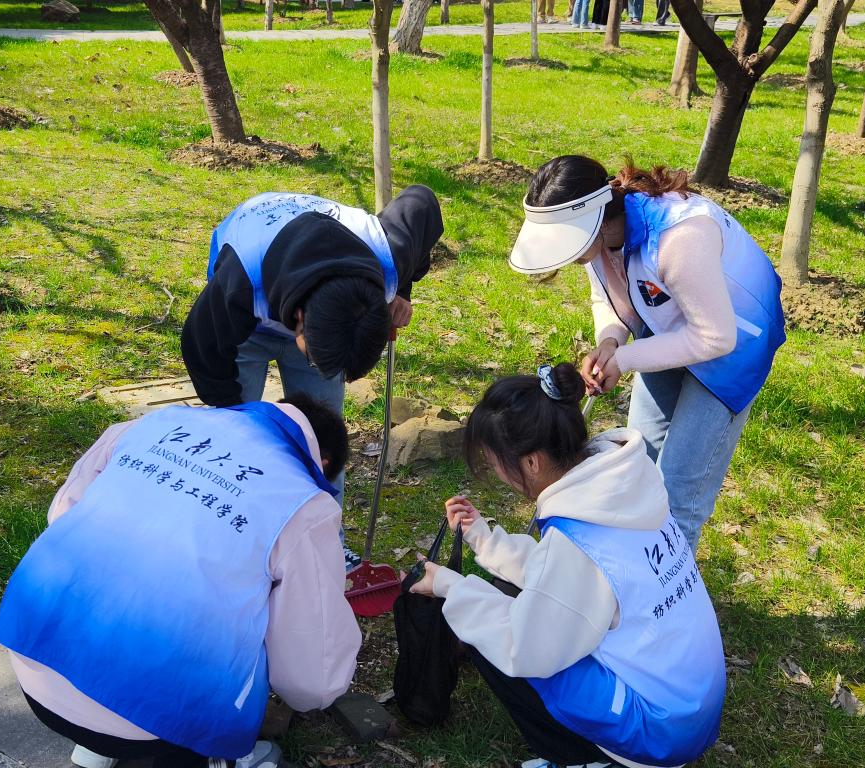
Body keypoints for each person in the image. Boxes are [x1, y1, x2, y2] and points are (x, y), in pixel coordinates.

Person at [0, 395, 361, 768]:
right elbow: (310, 676)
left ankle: (97, 744)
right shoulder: (304, 505)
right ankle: (215, 758)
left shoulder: (151, 423)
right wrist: (321, 689)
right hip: (151, 719)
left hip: (33, 659)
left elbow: (63, 515)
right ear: (324, 463)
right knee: (256, 621)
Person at [410, 363, 726, 768]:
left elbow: (524, 647)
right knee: (508, 599)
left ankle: (586, 757)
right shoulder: (622, 486)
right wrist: (483, 539)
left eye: (495, 463)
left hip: (658, 733)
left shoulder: (578, 541)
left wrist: (450, 587)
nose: (497, 474)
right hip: (690, 705)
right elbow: (563, 578)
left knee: (498, 635)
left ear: (531, 463)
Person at [509, 157, 785, 552]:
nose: (567, 257)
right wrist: (610, 342)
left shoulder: (678, 240)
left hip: (731, 349)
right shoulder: (596, 237)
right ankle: (630, 569)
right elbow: (608, 297)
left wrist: (625, 360)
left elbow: (715, 337)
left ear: (596, 216)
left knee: (677, 492)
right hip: (667, 329)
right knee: (635, 463)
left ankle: (669, 584)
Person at [182, 187, 443, 568]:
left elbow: (422, 203)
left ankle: (325, 544)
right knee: (236, 443)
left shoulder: (389, 254)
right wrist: (235, 418)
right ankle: (234, 542)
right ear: (300, 320)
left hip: (324, 313)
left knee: (322, 442)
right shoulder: (238, 281)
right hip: (245, 328)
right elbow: (203, 351)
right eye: (322, 360)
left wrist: (401, 290)